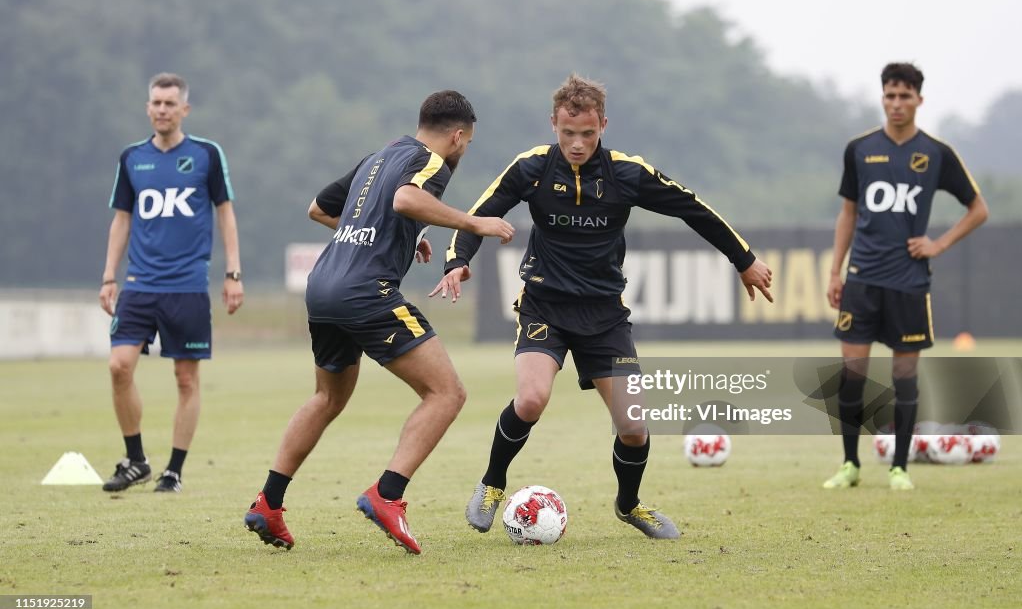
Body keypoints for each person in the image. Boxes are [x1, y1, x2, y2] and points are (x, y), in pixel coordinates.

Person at [434, 73, 773, 540]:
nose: (577, 144)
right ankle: (493, 483)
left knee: (634, 426)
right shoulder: (532, 167)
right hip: (545, 306)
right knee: (531, 399)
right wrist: (458, 261)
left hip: (604, 316)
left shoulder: (626, 173)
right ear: (553, 123)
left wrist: (745, 259)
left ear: (604, 126)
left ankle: (629, 504)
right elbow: (479, 214)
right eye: (568, 133)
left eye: (588, 134)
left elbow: (691, 207)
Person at [243, 90, 514, 554]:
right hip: (365, 292)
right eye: (466, 143)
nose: (463, 151)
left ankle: (269, 502)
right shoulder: (434, 163)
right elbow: (407, 200)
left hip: (323, 285)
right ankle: (387, 494)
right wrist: (474, 223)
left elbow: (320, 208)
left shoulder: (379, 156)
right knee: (447, 393)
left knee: (327, 398)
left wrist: (402, 239)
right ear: (458, 135)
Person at [823, 62, 988, 491]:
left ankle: (900, 468)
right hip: (861, 279)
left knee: (904, 376)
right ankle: (849, 465)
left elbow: (978, 209)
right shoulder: (859, 149)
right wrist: (834, 270)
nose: (897, 104)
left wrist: (939, 244)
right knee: (852, 372)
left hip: (909, 283)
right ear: (883, 98)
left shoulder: (936, 153)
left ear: (919, 99)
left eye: (905, 96)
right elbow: (848, 213)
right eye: (890, 96)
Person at [99, 72, 244, 494]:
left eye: (169, 103)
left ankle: (174, 470)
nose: (162, 110)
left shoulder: (206, 155)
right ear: (148, 108)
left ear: (184, 109)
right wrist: (109, 276)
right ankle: (136, 460)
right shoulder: (131, 158)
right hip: (140, 284)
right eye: (156, 103)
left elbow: (226, 213)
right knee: (118, 365)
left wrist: (232, 273)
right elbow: (121, 220)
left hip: (187, 287)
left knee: (185, 379)